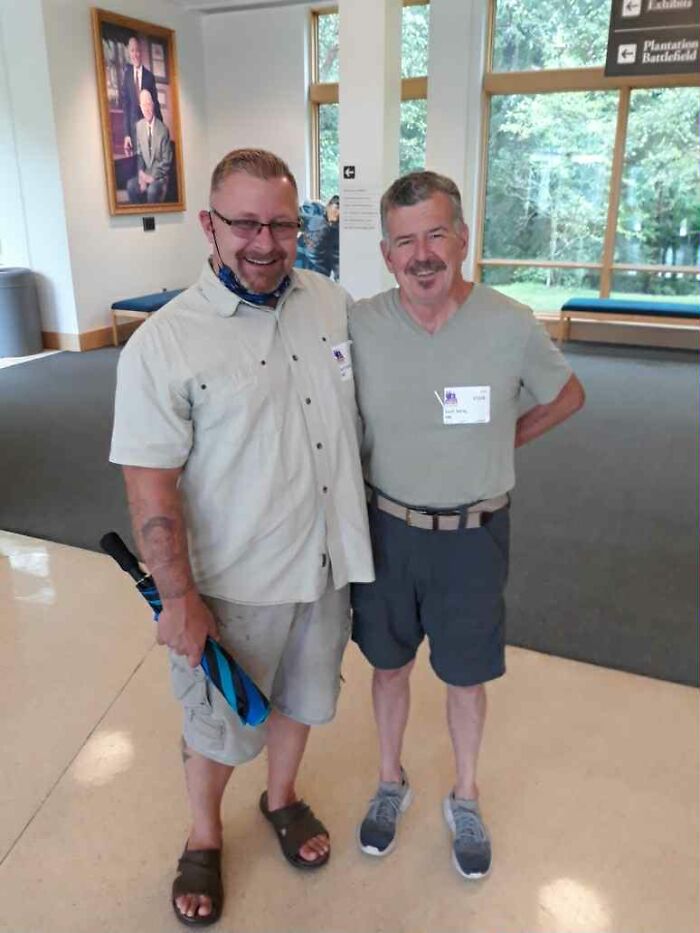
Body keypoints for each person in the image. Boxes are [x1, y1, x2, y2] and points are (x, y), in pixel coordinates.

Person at [110, 148, 373, 926]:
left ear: (303, 224)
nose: (265, 242)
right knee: (216, 723)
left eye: (282, 223)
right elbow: (149, 483)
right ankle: (203, 837)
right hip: (235, 582)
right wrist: (180, 596)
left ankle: (283, 798)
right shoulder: (165, 343)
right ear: (209, 225)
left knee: (303, 699)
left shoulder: (329, 302)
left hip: (324, 565)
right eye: (245, 223)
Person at [349, 170, 585, 880]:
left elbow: (569, 394)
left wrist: (501, 439)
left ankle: (466, 794)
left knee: (465, 676)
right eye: (405, 241)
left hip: (473, 538)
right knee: (388, 668)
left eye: (436, 235)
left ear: (463, 239)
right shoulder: (359, 323)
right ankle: (390, 782)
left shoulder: (509, 323)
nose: (423, 255)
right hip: (386, 529)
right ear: (387, 254)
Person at [126, 88, 172, 204]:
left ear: (152, 105)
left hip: (159, 176)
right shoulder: (139, 126)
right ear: (140, 107)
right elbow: (140, 154)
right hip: (145, 174)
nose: (146, 109)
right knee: (131, 185)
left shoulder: (163, 130)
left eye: (148, 104)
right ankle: (140, 218)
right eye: (143, 105)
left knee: (152, 191)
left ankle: (153, 220)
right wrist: (141, 175)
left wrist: (152, 178)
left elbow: (167, 161)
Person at [120, 34, 162, 158]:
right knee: (138, 167)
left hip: (149, 128)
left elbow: (156, 104)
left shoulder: (149, 76)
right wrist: (126, 134)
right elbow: (125, 107)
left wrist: (160, 130)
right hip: (134, 132)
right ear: (129, 52)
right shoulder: (126, 76)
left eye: (137, 50)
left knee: (152, 164)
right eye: (132, 50)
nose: (135, 54)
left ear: (141, 52)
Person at [315, 195, 340, 279]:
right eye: (337, 207)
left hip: (320, 277)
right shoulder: (314, 212)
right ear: (328, 206)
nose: (338, 213)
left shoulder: (336, 232)